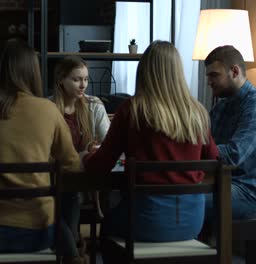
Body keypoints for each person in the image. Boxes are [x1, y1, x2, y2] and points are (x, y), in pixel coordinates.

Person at [0, 39, 85, 264]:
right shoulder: (48, 110)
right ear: (33, 71)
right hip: (37, 231)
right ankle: (74, 253)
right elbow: (73, 166)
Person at [82, 41, 218, 244]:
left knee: (106, 226)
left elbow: (101, 165)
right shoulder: (197, 112)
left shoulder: (132, 110)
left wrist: (85, 157)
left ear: (144, 71)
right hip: (191, 221)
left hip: (145, 220)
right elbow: (215, 160)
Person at [204, 45, 256, 221]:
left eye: (214, 75)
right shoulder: (221, 107)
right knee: (175, 191)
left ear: (235, 71)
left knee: (185, 200)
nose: (209, 81)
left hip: (251, 195)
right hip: (223, 183)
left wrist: (195, 149)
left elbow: (233, 154)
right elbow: (205, 144)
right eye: (208, 76)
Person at [51, 55, 110, 259]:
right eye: (76, 79)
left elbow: (108, 143)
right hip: (56, 176)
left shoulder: (93, 105)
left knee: (72, 193)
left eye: (86, 79)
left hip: (85, 178)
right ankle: (75, 246)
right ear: (61, 80)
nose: (83, 84)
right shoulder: (48, 108)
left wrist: (93, 152)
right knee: (68, 194)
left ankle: (72, 250)